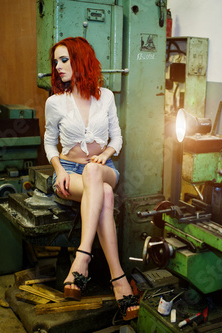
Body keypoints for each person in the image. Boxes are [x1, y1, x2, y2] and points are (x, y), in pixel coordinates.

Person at [43, 36, 138, 320]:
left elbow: (117, 136)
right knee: (105, 195)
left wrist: (105, 153)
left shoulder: (106, 97)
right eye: (56, 61)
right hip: (70, 174)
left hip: (104, 169)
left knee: (95, 170)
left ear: (81, 60)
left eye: (64, 60)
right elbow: (49, 143)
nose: (58, 67)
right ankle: (118, 278)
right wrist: (59, 170)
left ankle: (82, 257)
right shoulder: (55, 102)